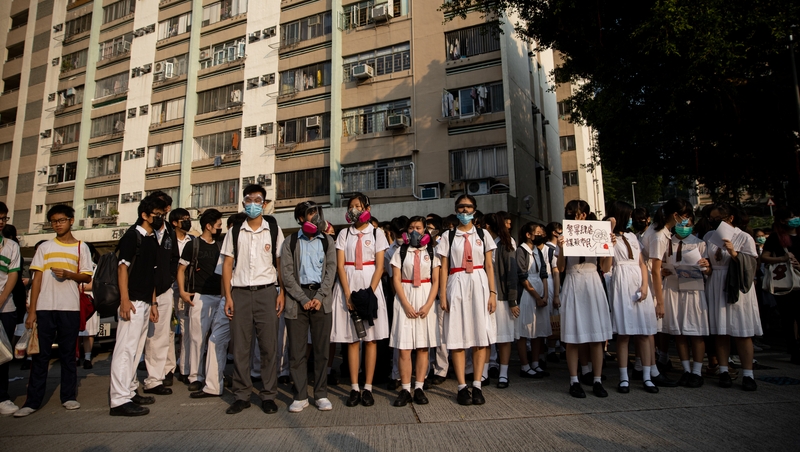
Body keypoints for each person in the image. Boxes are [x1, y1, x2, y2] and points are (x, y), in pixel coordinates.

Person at [14, 205, 93, 417]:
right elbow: (36, 279)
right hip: (45, 308)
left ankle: (68, 396)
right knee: (40, 356)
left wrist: (69, 274)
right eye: (54, 221)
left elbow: (87, 277)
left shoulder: (81, 247)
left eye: (61, 220)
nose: (58, 224)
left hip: (69, 307)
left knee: (68, 355)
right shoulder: (44, 247)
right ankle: (32, 401)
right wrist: (32, 311)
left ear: (71, 220)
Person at [221, 185, 286, 415]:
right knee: (240, 347)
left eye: (258, 199)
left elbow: (281, 264)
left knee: (269, 346)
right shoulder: (235, 231)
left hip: (267, 292)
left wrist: (282, 293)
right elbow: (228, 264)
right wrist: (227, 296)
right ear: (243, 203)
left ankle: (268, 395)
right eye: (248, 199)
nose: (253, 203)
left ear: (265, 203)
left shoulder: (274, 229)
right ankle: (241, 395)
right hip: (239, 294)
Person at [330, 193, 390, 408]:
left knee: (371, 339)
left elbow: (380, 265)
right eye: (351, 206)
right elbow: (339, 265)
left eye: (358, 205)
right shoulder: (344, 233)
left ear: (367, 208)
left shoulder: (377, 233)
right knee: (352, 339)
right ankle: (354, 387)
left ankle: (368, 387)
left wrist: (369, 294)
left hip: (370, 285)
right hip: (348, 283)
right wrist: (347, 295)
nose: (355, 209)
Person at [437, 194, 497, 405]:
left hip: (479, 282)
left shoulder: (483, 234)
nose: (464, 211)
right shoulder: (448, 236)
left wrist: (493, 292)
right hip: (457, 281)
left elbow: (489, 266)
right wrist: (442, 294)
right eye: (461, 208)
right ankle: (462, 386)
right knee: (458, 337)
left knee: (480, 336)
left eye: (468, 207)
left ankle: (478, 384)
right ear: (455, 210)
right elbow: (443, 267)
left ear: (474, 209)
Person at [108, 197, 166, 416]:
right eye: (157, 213)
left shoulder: (152, 240)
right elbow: (122, 269)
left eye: (162, 213)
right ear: (145, 215)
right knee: (125, 350)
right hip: (130, 301)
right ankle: (119, 400)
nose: (161, 217)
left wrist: (153, 302)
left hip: (144, 301)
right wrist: (124, 299)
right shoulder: (132, 237)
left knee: (135, 350)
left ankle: (130, 391)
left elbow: (151, 273)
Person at [280, 201, 337, 412]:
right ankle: (300, 395)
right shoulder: (290, 242)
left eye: (316, 212)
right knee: (297, 350)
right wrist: (303, 298)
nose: (315, 216)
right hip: (297, 300)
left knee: (321, 350)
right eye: (310, 213)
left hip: (322, 298)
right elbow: (286, 274)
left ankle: (321, 394)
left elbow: (332, 270)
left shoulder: (327, 241)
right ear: (301, 218)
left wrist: (321, 295)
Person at [556, 200, 614, 398]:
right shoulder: (565, 235)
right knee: (573, 337)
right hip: (573, 281)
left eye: (580, 214)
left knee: (596, 337)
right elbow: (561, 268)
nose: (576, 217)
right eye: (572, 214)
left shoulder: (598, 233)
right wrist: (562, 247)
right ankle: (574, 380)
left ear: (587, 214)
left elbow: (605, 268)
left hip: (592, 281)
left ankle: (597, 380)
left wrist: (610, 247)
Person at [704, 204, 762, 391]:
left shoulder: (744, 237)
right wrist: (705, 266)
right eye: (711, 218)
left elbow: (751, 265)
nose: (713, 222)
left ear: (729, 218)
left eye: (717, 218)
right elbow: (709, 263)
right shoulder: (708, 237)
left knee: (742, 332)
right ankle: (723, 371)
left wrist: (734, 253)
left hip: (737, 285)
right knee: (722, 331)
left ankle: (748, 374)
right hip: (717, 282)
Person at [191, 214, 244, 399]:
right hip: (228, 299)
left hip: (248, 299)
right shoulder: (227, 246)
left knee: (251, 345)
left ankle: (256, 386)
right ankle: (212, 386)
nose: (227, 231)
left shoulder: (251, 242)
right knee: (215, 340)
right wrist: (225, 299)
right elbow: (223, 276)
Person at [607, 201, 658, 394]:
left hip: (638, 282)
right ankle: (623, 377)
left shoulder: (632, 236)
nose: (630, 220)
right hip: (621, 282)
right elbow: (605, 266)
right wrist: (608, 233)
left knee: (644, 333)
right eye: (628, 216)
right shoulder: (609, 237)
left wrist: (645, 286)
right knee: (624, 334)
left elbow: (642, 263)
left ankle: (646, 376)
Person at [659, 203, 711, 388]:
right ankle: (686, 369)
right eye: (681, 221)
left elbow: (708, 270)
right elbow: (659, 265)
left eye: (687, 221)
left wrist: (706, 266)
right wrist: (661, 271)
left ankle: (697, 371)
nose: (683, 225)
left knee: (695, 332)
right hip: (673, 290)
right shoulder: (666, 241)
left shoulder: (700, 243)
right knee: (678, 332)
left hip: (693, 290)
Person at [389, 216, 440, 406]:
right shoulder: (401, 251)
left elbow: (436, 281)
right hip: (405, 298)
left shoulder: (432, 252)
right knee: (404, 348)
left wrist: (428, 305)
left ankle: (419, 387)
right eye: (411, 227)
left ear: (426, 230)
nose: (414, 231)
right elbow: (396, 279)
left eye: (418, 227)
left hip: (425, 298)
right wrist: (406, 304)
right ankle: (405, 389)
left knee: (422, 347)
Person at [178, 209, 223, 393]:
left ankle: (215, 375)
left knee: (217, 339)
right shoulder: (193, 245)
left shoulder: (221, 245)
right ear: (209, 226)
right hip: (200, 297)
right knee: (197, 338)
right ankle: (195, 376)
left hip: (220, 298)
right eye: (218, 225)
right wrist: (182, 292)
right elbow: (181, 270)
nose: (220, 228)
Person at [142, 191, 180, 396]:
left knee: (161, 336)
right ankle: (130, 383)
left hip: (164, 291)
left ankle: (155, 379)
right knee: (141, 338)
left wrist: (170, 277)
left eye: (166, 207)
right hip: (143, 292)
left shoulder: (169, 233)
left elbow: (174, 257)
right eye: (160, 207)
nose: (164, 210)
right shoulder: (141, 231)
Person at [760, 208, 800, 365]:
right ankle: (794, 350)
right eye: (792, 216)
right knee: (788, 317)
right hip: (785, 283)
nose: (795, 219)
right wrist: (783, 259)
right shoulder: (777, 238)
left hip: (798, 278)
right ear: (783, 221)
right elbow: (764, 257)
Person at [484, 213, 518, 389]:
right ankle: (484, 372)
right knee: (486, 337)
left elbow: (512, 274)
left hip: (502, 297)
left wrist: (513, 301)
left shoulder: (505, 244)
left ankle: (504, 374)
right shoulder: (482, 244)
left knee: (504, 337)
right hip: (485, 296)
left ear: (488, 227)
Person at [516, 222, 551, 381]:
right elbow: (522, 276)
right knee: (524, 330)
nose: (540, 235)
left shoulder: (538, 251)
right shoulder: (521, 251)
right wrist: (537, 296)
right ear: (528, 235)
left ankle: (536, 362)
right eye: (537, 232)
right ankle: (525, 365)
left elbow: (544, 272)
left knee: (539, 330)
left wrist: (544, 294)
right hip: (527, 293)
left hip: (540, 290)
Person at [0, 204, 22, 415]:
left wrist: (2, 299)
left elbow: (13, 275)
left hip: (5, 308)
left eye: (4, 218)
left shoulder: (11, 246)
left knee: (3, 355)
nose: (1, 221)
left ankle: (3, 397)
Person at [169, 208, 194, 385]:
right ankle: (168, 369)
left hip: (185, 289)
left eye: (188, 218)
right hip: (167, 289)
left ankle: (184, 367)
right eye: (183, 219)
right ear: (174, 223)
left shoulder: (192, 240)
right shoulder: (166, 240)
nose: (186, 221)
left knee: (186, 329)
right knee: (168, 330)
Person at [78, 243, 100, 370]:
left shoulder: (95, 267)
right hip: (76, 300)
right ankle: (76, 356)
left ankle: (87, 357)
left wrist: (81, 287)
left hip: (89, 301)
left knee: (89, 332)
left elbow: (95, 284)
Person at [544, 222, 563, 363]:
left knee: (554, 317)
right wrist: (556, 295)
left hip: (552, 285)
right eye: (560, 230)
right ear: (554, 232)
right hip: (550, 284)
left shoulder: (550, 248)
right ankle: (551, 349)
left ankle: (556, 347)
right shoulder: (550, 249)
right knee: (553, 317)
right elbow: (556, 273)